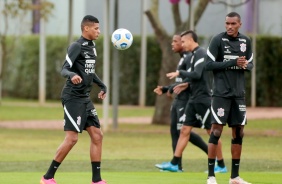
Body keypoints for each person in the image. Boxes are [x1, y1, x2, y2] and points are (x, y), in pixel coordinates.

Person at [40, 15, 107, 184]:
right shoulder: (76, 46)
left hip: (85, 98)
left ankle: (96, 180)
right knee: (72, 139)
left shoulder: (92, 47)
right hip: (72, 97)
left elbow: (90, 72)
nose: (99, 31)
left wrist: (102, 85)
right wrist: (72, 75)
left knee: (97, 135)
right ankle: (47, 177)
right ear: (86, 28)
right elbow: (64, 69)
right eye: (96, 28)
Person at [156, 30, 226, 173]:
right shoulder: (193, 55)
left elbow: (197, 74)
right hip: (193, 99)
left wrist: (180, 74)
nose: (182, 44)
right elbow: (194, 78)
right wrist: (184, 84)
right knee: (184, 130)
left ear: (190, 40)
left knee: (212, 132)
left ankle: (221, 165)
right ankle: (175, 163)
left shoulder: (201, 53)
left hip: (203, 99)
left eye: (182, 42)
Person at [205, 12, 253, 184]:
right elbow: (208, 65)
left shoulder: (245, 41)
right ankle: (211, 176)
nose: (229, 27)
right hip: (220, 94)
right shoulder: (218, 40)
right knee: (216, 131)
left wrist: (246, 65)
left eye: (233, 23)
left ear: (240, 24)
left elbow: (251, 63)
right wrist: (233, 62)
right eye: (227, 23)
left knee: (239, 132)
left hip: (238, 95)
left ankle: (234, 177)